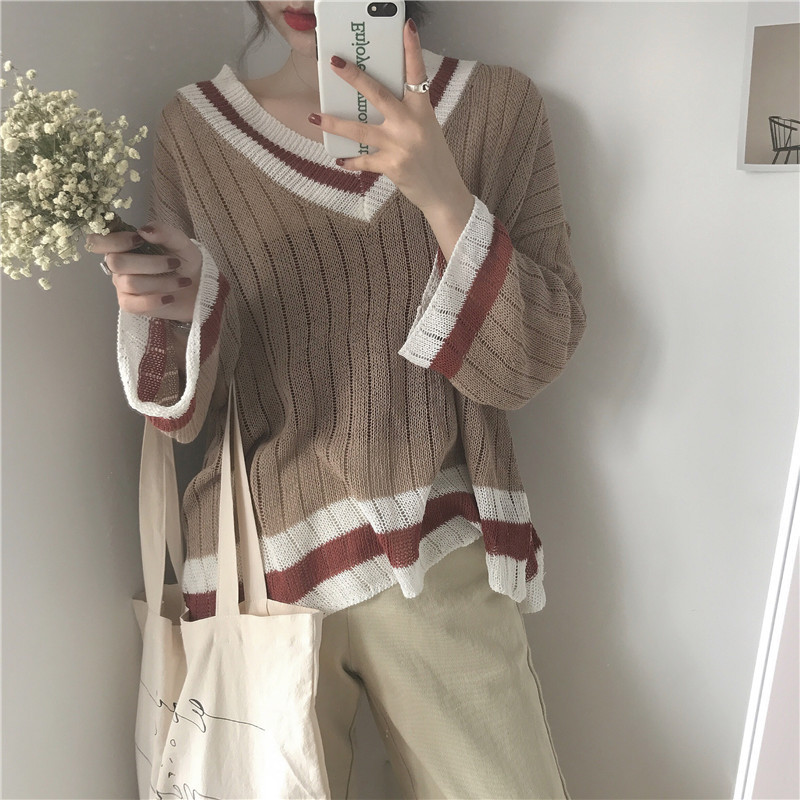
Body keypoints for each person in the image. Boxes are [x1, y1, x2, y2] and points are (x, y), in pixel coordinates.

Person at [88, 2, 586, 797]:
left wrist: (441, 191)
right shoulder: (197, 130)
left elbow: (526, 361)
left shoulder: (495, 107)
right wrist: (175, 308)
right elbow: (186, 410)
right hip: (260, 573)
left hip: (436, 546)